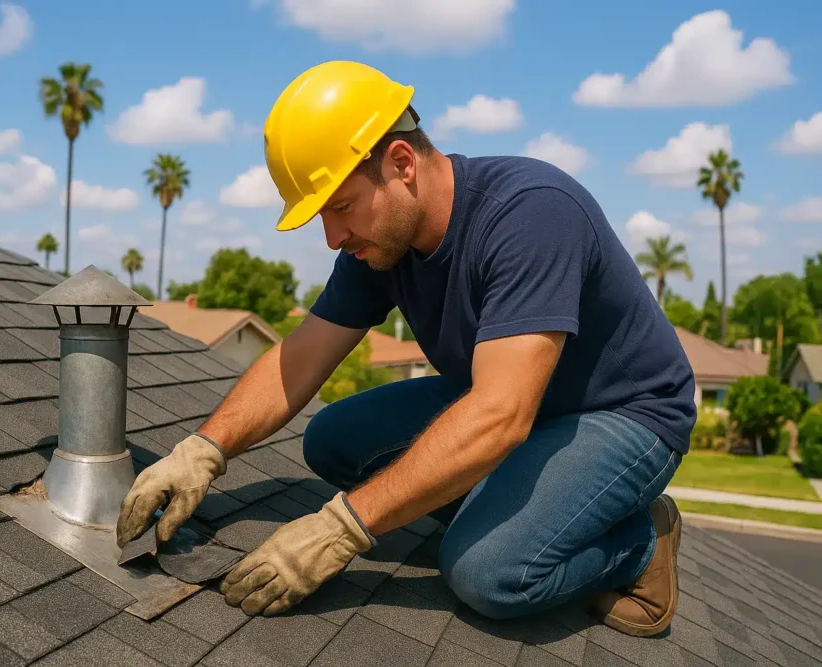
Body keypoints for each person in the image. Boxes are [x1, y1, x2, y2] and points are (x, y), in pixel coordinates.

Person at [116, 60, 697, 637]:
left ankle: (639, 542)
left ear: (400, 162)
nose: (333, 237)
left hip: (619, 414)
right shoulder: (382, 242)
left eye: (340, 207)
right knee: (333, 443)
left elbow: (501, 413)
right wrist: (203, 450)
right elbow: (301, 355)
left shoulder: (531, 213)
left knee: (487, 574)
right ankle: (513, 507)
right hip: (512, 401)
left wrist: (342, 528)